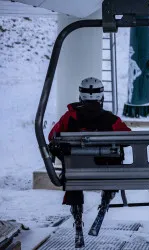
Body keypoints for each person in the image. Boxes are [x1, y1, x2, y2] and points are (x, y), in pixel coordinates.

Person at [48, 77, 131, 248]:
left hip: (76, 172)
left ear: (81, 95)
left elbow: (52, 136)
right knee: (115, 155)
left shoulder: (69, 117)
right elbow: (127, 138)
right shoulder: (110, 119)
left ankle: (78, 221)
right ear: (101, 96)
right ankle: (106, 200)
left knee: (73, 170)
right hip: (105, 170)